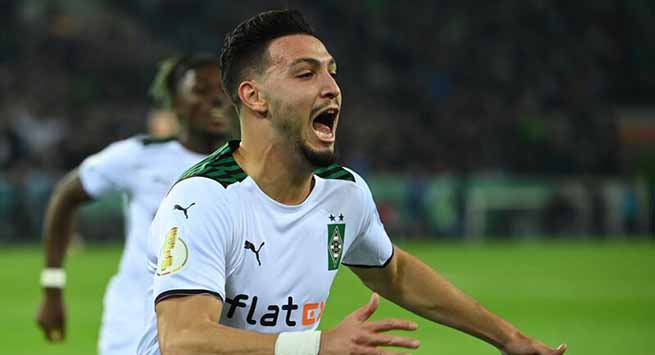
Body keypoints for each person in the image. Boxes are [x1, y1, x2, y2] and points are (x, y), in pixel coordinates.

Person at [138, 10, 567, 355]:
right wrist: (318, 344)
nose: (332, 88)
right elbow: (184, 340)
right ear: (254, 97)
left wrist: (509, 339)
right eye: (306, 75)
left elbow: (394, 273)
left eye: (332, 72)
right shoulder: (206, 198)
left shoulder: (343, 192)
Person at [36, 54, 236, 355]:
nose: (215, 100)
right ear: (176, 103)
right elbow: (66, 195)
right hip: (132, 323)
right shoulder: (139, 157)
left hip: (208, 325)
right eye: (200, 91)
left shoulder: (253, 168)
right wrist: (52, 287)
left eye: (222, 92)